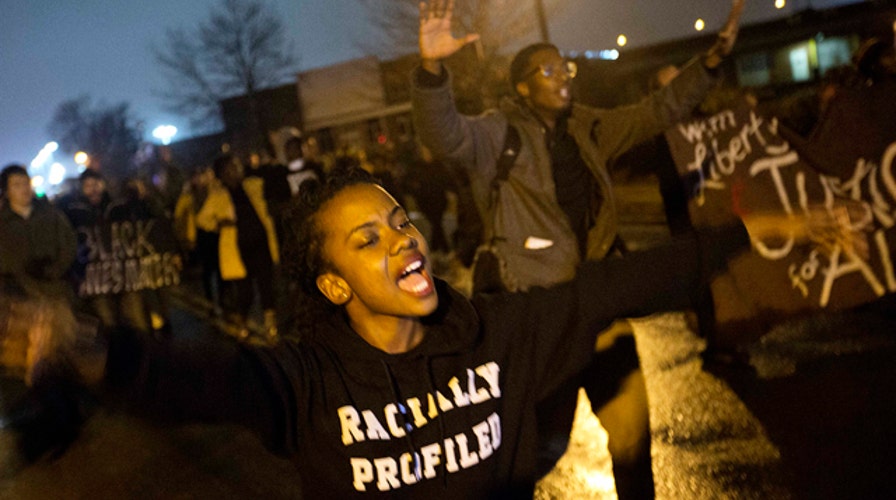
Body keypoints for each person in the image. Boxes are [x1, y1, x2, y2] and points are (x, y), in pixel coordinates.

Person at [8, 166, 850, 498]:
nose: (402, 239)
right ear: (333, 284)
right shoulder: (306, 384)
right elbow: (196, 377)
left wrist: (777, 228)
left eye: (400, 222)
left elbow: (622, 283)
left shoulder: (494, 334)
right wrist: (87, 349)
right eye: (367, 239)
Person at [411, 0, 745, 495]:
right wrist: (432, 69)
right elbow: (444, 134)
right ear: (523, 86)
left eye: (564, 66)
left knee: (631, 436)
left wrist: (710, 64)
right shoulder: (496, 134)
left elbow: (656, 111)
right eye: (548, 70)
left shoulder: (589, 126)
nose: (564, 76)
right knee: (541, 447)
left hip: (603, 304)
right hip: (543, 315)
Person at [196, 154, 279, 340]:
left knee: (266, 285)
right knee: (244, 290)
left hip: (261, 243)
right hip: (238, 249)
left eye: (236, 166)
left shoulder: (253, 185)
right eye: (230, 168)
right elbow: (202, 220)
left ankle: (270, 324)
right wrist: (220, 223)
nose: (236, 171)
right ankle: (243, 321)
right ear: (223, 174)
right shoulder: (218, 196)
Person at [0, 164, 77, 303]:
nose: (24, 189)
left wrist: (54, 271)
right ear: (6, 191)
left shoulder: (52, 215)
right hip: (15, 298)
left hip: (54, 291)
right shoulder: (3, 223)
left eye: (26, 183)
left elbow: (69, 244)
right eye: (17, 185)